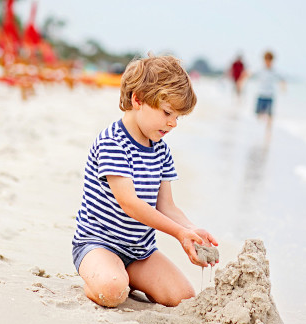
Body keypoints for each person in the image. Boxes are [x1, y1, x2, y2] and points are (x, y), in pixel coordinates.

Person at [72, 55, 219, 308]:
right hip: (98, 244)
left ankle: (128, 276)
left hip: (140, 252)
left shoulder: (161, 150)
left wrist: (191, 229)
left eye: (178, 117)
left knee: (183, 298)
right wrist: (178, 233)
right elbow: (130, 204)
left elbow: (167, 207)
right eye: (167, 112)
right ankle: (101, 279)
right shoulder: (113, 143)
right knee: (113, 291)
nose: (173, 123)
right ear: (137, 99)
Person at [255, 51, 286, 140]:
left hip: (270, 95)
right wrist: (241, 81)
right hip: (261, 94)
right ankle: (261, 123)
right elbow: (249, 74)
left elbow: (282, 79)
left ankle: (268, 131)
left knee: (270, 114)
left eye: (270, 60)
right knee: (258, 114)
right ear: (264, 60)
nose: (268, 62)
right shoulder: (260, 69)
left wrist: (283, 87)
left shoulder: (275, 71)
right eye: (266, 60)